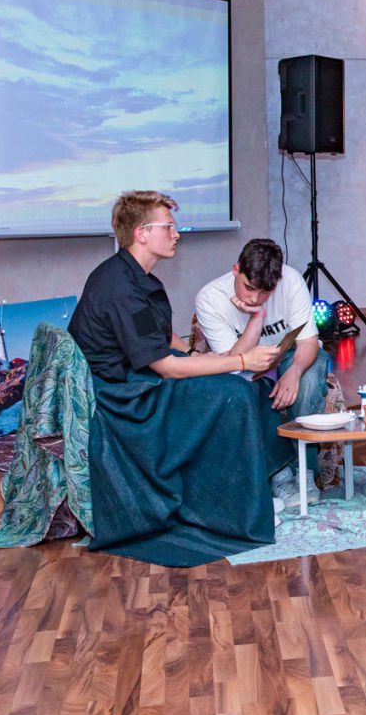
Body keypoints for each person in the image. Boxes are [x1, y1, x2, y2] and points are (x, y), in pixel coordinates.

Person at [68, 191, 289, 566]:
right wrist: (239, 360)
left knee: (247, 387)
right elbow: (166, 368)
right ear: (141, 233)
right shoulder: (119, 286)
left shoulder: (133, 275)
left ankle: (251, 490)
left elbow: (162, 337)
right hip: (124, 396)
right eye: (168, 227)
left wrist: (196, 355)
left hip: (138, 376)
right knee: (231, 394)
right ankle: (230, 510)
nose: (176, 234)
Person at [195, 238, 329, 510]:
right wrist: (256, 317)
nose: (254, 298)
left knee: (306, 383)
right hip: (244, 364)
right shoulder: (210, 298)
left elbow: (308, 342)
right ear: (236, 270)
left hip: (290, 354)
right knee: (243, 391)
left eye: (265, 292)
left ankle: (304, 472)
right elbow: (233, 364)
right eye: (249, 288)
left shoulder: (291, 281)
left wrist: (294, 372)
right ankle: (279, 474)